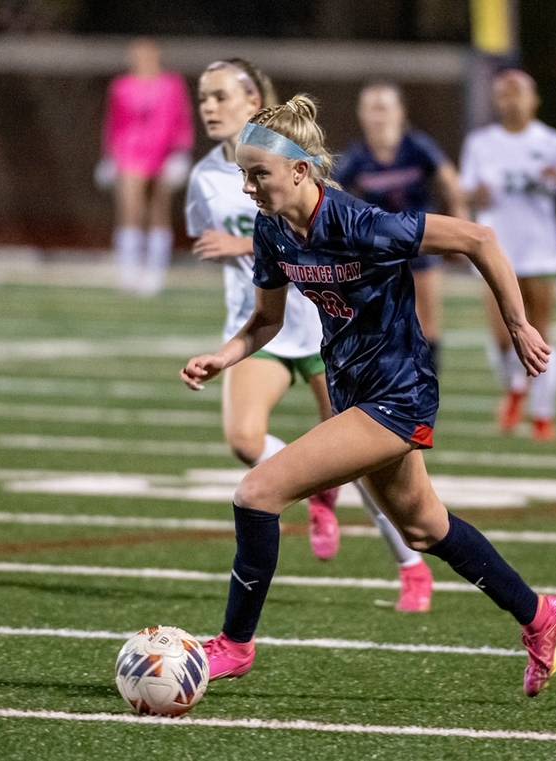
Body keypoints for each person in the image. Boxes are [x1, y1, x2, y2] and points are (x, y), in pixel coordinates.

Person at [180, 94, 556, 697]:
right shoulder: (272, 230)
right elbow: (266, 321)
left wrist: (518, 324)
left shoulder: (361, 224)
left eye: (259, 174)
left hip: (397, 395)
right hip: (354, 390)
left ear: (300, 171)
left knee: (257, 492)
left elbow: (478, 238)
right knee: (423, 527)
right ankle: (540, 615)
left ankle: (234, 645)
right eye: (243, 174)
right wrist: (224, 357)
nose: (250, 187)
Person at [185, 59, 434, 613]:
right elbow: (261, 254)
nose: (208, 107)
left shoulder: (289, 162)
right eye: (203, 97)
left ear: (254, 101)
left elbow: (311, 234)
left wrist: (241, 246)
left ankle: (411, 567)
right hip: (261, 328)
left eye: (220, 96)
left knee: (365, 462)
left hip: (327, 328)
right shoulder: (203, 178)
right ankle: (313, 486)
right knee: (245, 440)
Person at [459, 69, 556, 441]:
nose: (510, 100)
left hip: (541, 251)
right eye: (503, 94)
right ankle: (515, 391)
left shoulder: (553, 142)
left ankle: (542, 416)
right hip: (495, 251)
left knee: (541, 334)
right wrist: (477, 199)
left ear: (534, 99)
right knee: (502, 338)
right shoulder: (481, 143)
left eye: (517, 92)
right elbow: (464, 191)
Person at [334, 82, 469, 373]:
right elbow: (332, 195)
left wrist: (460, 218)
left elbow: (450, 181)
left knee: (428, 319)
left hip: (421, 241)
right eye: (372, 108)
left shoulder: (417, 146)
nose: (378, 116)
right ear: (362, 115)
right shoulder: (358, 157)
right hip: (380, 247)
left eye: (384, 107)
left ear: (400, 113)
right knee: (381, 319)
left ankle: (427, 385)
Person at [99, 38, 194, 296]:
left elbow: (180, 118)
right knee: (130, 209)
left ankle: (155, 271)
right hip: (130, 152)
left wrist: (181, 152)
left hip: (162, 152)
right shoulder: (121, 86)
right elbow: (114, 122)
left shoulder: (172, 84)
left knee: (157, 210)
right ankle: (128, 268)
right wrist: (109, 156)